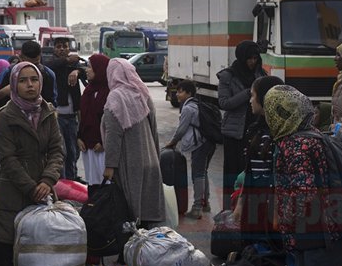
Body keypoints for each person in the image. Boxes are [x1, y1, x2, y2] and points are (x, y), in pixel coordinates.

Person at [264, 85, 342, 266]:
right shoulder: (312, 136)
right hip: (316, 232)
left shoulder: (297, 145)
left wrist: (286, 221)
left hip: (313, 235)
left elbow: (305, 194)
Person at [0, 62, 64, 266]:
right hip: (13, 195)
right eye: (23, 80)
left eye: (34, 79)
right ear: (14, 84)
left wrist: (47, 181)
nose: (30, 85)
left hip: (43, 192)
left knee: (42, 251)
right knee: (13, 255)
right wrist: (32, 186)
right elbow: (8, 159)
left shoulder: (48, 112)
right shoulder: (6, 116)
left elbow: (57, 150)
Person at [102, 58, 164, 226]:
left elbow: (113, 137)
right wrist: (156, 157)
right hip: (150, 161)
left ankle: (131, 248)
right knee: (148, 213)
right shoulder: (143, 93)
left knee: (130, 212)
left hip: (130, 165)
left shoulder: (116, 98)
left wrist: (109, 166)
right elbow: (154, 130)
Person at [217, 40, 267, 212]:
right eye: (249, 58)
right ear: (242, 57)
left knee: (252, 171)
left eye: (255, 58)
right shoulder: (228, 76)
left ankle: (248, 209)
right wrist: (248, 93)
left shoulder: (261, 74)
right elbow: (224, 103)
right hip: (234, 133)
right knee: (232, 173)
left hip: (256, 130)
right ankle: (229, 209)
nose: (252, 62)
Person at [233, 76, 284, 237]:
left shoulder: (281, 135)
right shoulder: (255, 130)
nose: (250, 101)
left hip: (271, 208)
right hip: (252, 204)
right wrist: (240, 204)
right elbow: (249, 170)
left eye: (253, 95)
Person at [164, 79, 216, 220]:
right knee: (203, 172)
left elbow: (181, 130)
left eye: (180, 92)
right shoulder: (197, 105)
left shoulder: (187, 108)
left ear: (189, 93)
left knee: (197, 174)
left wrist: (172, 142)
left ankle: (197, 208)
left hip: (200, 144)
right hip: (209, 142)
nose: (177, 94)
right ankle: (206, 204)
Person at [45, 37, 86, 181]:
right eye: (59, 46)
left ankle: (73, 178)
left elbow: (87, 72)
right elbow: (49, 65)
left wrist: (77, 72)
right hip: (57, 117)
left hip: (73, 115)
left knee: (74, 151)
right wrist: (68, 61)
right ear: (54, 49)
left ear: (69, 49)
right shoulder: (50, 64)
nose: (62, 49)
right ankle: (62, 182)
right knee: (61, 152)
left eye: (65, 47)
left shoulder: (74, 64)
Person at [0, 40, 57, 108]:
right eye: (22, 80)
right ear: (20, 58)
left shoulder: (48, 74)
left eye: (34, 79)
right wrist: (4, 92)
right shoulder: (8, 73)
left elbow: (52, 105)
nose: (29, 84)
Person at [77, 54, 110, 185]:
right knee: (92, 183)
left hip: (103, 148)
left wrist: (103, 142)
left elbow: (111, 123)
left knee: (105, 185)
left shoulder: (110, 92)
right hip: (88, 146)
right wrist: (79, 137)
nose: (86, 70)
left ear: (99, 69)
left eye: (90, 67)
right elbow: (84, 117)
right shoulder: (88, 91)